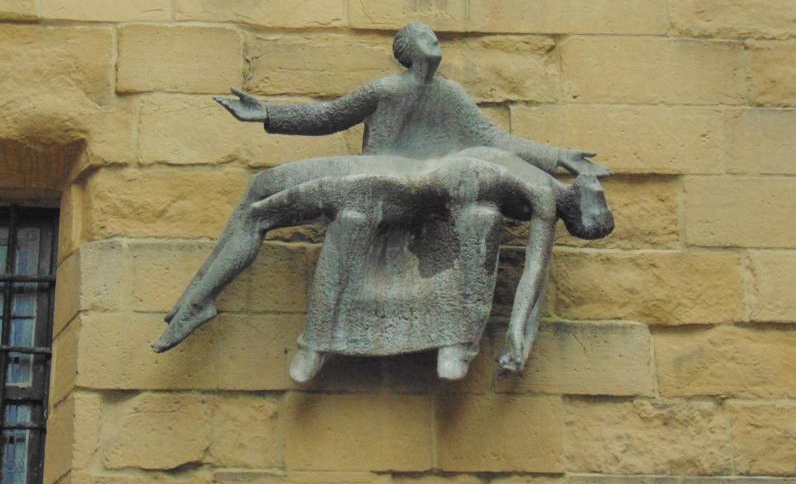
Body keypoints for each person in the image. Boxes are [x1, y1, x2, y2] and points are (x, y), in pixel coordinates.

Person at [154, 23, 611, 380]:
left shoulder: (518, 172)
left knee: (262, 200)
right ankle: (197, 299)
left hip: (384, 186)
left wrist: (517, 342)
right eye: (424, 36)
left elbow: (494, 140)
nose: (433, 38)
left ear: (583, 209)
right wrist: (268, 114)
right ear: (407, 51)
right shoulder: (389, 90)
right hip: (382, 175)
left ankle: (197, 301)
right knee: (260, 190)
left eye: (596, 201)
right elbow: (329, 116)